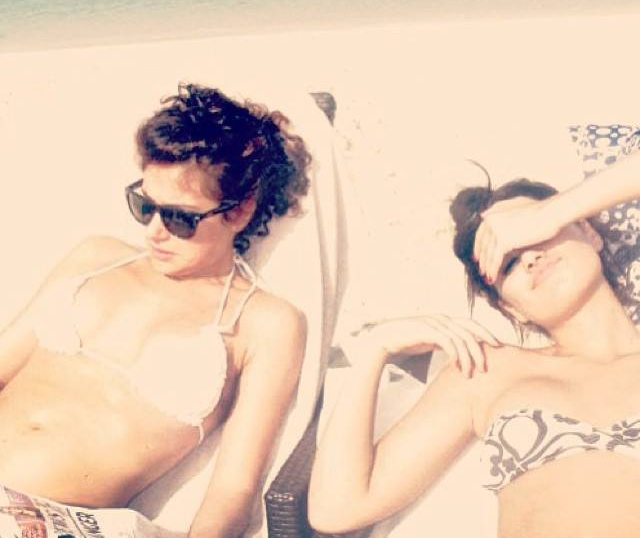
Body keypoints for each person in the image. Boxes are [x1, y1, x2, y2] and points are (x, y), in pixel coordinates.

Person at [0, 84, 311, 538]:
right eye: (144, 205)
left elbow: (233, 491)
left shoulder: (265, 324)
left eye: (180, 217)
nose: (154, 231)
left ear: (240, 211)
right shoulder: (95, 258)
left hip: (50, 522)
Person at [308, 149, 640, 537]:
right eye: (509, 263)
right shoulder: (486, 370)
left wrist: (550, 213)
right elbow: (337, 509)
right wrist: (376, 349)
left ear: (589, 231)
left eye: (538, 234)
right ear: (510, 308)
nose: (530, 258)